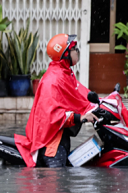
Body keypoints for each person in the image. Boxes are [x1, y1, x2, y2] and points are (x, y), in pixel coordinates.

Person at [15, 34, 98, 167]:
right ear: (65, 54)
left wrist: (102, 103)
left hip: (60, 140)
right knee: (56, 183)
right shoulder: (53, 80)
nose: (77, 51)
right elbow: (51, 115)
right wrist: (80, 117)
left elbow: (81, 94)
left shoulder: (64, 73)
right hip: (51, 145)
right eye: (73, 49)